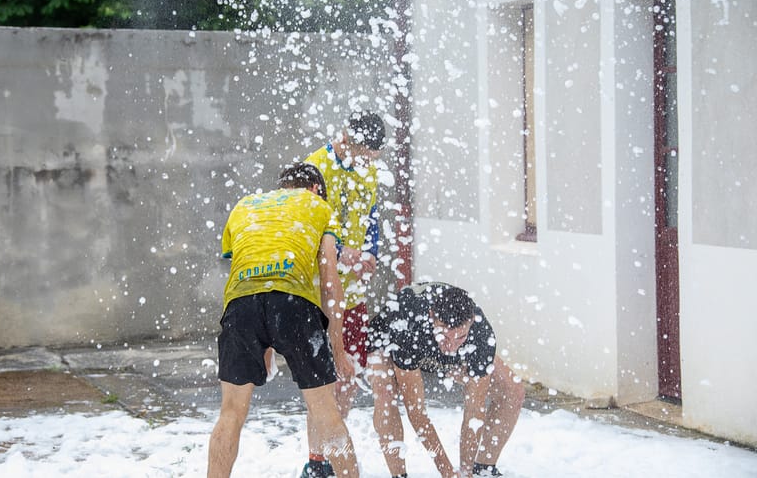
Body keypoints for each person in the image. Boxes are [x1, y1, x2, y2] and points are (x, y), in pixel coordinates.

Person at [207, 163, 359, 478]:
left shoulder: (246, 206)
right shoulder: (318, 207)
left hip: (240, 306)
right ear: (317, 189)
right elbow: (330, 283)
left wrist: (262, 345)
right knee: (324, 410)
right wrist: (339, 348)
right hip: (294, 303)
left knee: (231, 413)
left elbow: (249, 276)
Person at [299, 112, 385, 478]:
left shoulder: (370, 170)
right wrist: (338, 252)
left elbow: (373, 218)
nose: (368, 164)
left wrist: (370, 253)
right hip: (320, 294)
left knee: (348, 375)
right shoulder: (314, 169)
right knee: (323, 382)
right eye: (364, 155)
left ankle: (336, 452)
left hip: (353, 294)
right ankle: (316, 460)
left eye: (373, 160)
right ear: (347, 139)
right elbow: (301, 224)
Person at [367, 282, 525, 478]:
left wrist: (465, 473)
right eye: (445, 337)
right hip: (388, 341)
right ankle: (399, 475)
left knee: (513, 390)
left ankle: (483, 469)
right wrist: (447, 472)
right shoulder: (408, 325)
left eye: (460, 337)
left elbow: (474, 411)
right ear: (432, 317)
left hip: (434, 351)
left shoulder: (481, 335)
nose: (451, 346)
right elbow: (416, 412)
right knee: (385, 395)